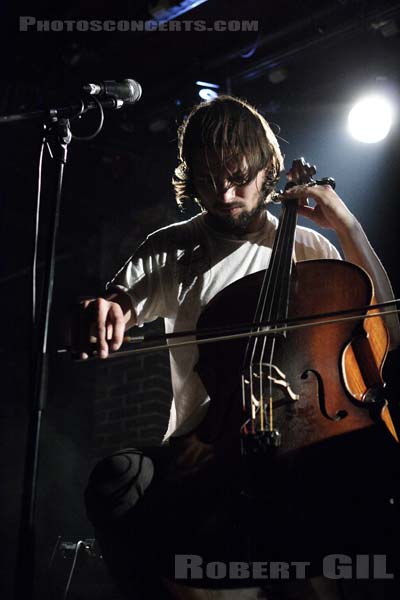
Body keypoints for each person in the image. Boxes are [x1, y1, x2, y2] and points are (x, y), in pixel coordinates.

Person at [77, 96, 400, 599]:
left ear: (268, 168)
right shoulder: (173, 247)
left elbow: (387, 330)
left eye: (238, 177)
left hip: (304, 437)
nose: (225, 194)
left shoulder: (309, 248)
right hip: (203, 446)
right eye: (207, 180)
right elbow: (120, 298)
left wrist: (348, 227)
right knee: (117, 482)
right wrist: (107, 309)